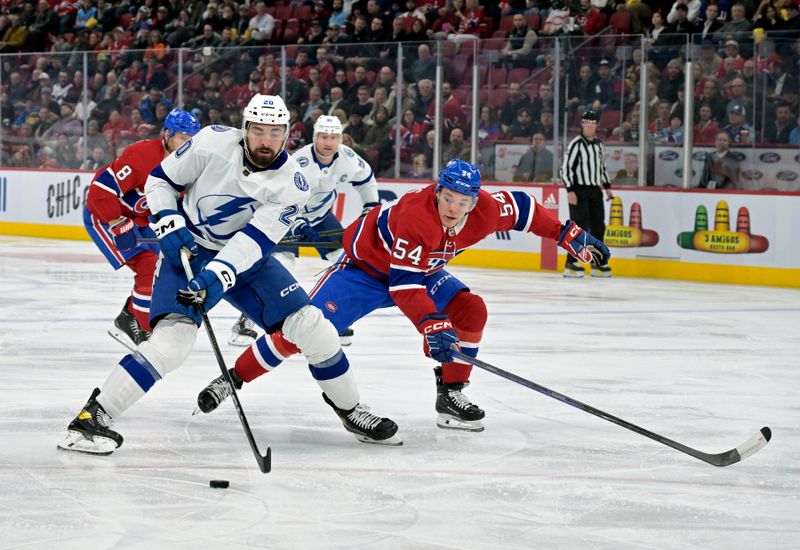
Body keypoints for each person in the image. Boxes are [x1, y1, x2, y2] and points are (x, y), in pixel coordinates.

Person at [58, 95, 400, 456]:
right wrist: (168, 220)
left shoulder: (294, 183)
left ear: (286, 134)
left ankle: (350, 409)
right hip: (189, 248)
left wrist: (217, 275)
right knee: (172, 343)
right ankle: (91, 418)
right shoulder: (210, 141)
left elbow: (255, 240)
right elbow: (160, 180)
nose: (265, 140)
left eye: (274, 132)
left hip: (246, 257)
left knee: (313, 326)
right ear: (244, 128)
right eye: (258, 131)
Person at [195, 159, 610, 434]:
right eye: (447, 197)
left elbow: (525, 207)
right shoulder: (416, 215)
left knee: (471, 310)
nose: (453, 208)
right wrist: (432, 325)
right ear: (437, 192)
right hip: (364, 273)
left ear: (474, 200)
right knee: (301, 332)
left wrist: (567, 234)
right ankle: (235, 378)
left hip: (419, 272)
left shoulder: (485, 209)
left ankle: (451, 394)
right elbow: (403, 286)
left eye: (463, 201)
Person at [228, 115, 380, 347]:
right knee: (280, 264)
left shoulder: (347, 157)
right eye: (323, 136)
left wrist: (371, 209)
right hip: (286, 218)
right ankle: (244, 322)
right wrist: (298, 224)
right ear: (314, 137)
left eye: (333, 137)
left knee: (344, 262)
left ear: (340, 138)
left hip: (320, 217)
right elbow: (285, 199)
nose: (328, 142)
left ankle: (335, 317)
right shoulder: (299, 163)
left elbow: (366, 178)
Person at [83, 109, 201, 350]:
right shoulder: (142, 154)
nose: (187, 144)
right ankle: (142, 326)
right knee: (147, 266)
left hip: (138, 221)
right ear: (167, 135)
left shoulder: (190, 166)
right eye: (182, 137)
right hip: (104, 216)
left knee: (160, 266)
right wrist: (116, 222)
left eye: (192, 139)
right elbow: (100, 189)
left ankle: (128, 318)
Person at [561, 110, 613, 278]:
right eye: (586, 122)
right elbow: (566, 169)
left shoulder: (599, 144)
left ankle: (597, 262)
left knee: (598, 226)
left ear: (597, 125)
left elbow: (602, 167)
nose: (590, 125)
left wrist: (607, 186)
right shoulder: (576, 144)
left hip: (594, 190)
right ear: (582, 124)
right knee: (579, 227)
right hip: (579, 190)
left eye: (593, 122)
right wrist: (570, 190)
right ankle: (571, 262)